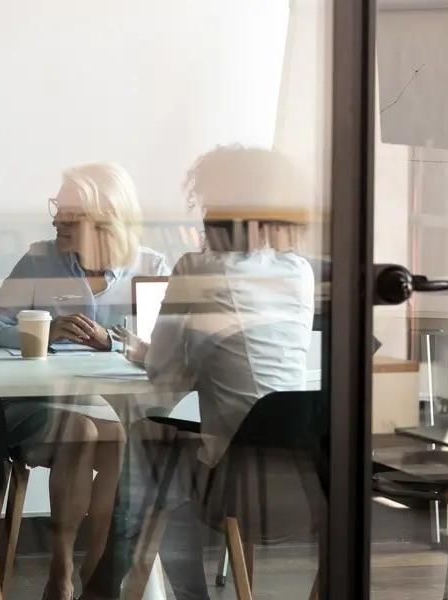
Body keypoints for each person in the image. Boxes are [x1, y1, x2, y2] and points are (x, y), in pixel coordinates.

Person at [82, 145, 316, 600]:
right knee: (163, 456)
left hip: (235, 477)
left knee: (151, 451)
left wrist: (139, 350)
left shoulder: (199, 269)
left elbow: (167, 374)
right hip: (300, 469)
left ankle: (111, 592)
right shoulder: (298, 271)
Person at [0, 162, 170, 600]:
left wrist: (114, 345)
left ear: (105, 218)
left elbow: (164, 355)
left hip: (114, 408)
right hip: (41, 403)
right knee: (81, 430)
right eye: (57, 208)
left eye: (70, 214)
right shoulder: (41, 258)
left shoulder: (152, 266)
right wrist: (41, 331)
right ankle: (60, 570)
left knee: (116, 437)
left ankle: (95, 570)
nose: (56, 220)